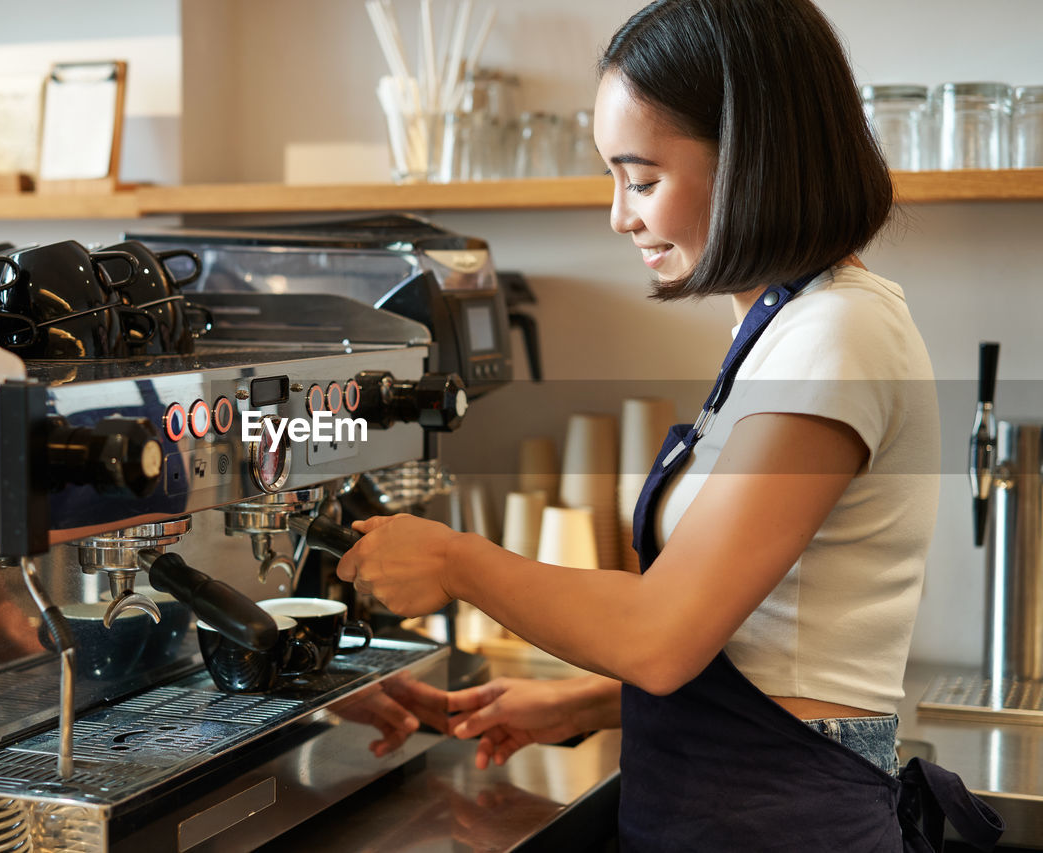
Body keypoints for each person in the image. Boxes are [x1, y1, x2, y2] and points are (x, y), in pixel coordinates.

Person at [336, 0, 1005, 849]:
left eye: (642, 178)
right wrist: (585, 701)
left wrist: (453, 559)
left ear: (755, 160)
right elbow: (760, 645)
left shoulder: (837, 336)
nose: (620, 215)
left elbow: (661, 633)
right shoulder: (784, 328)